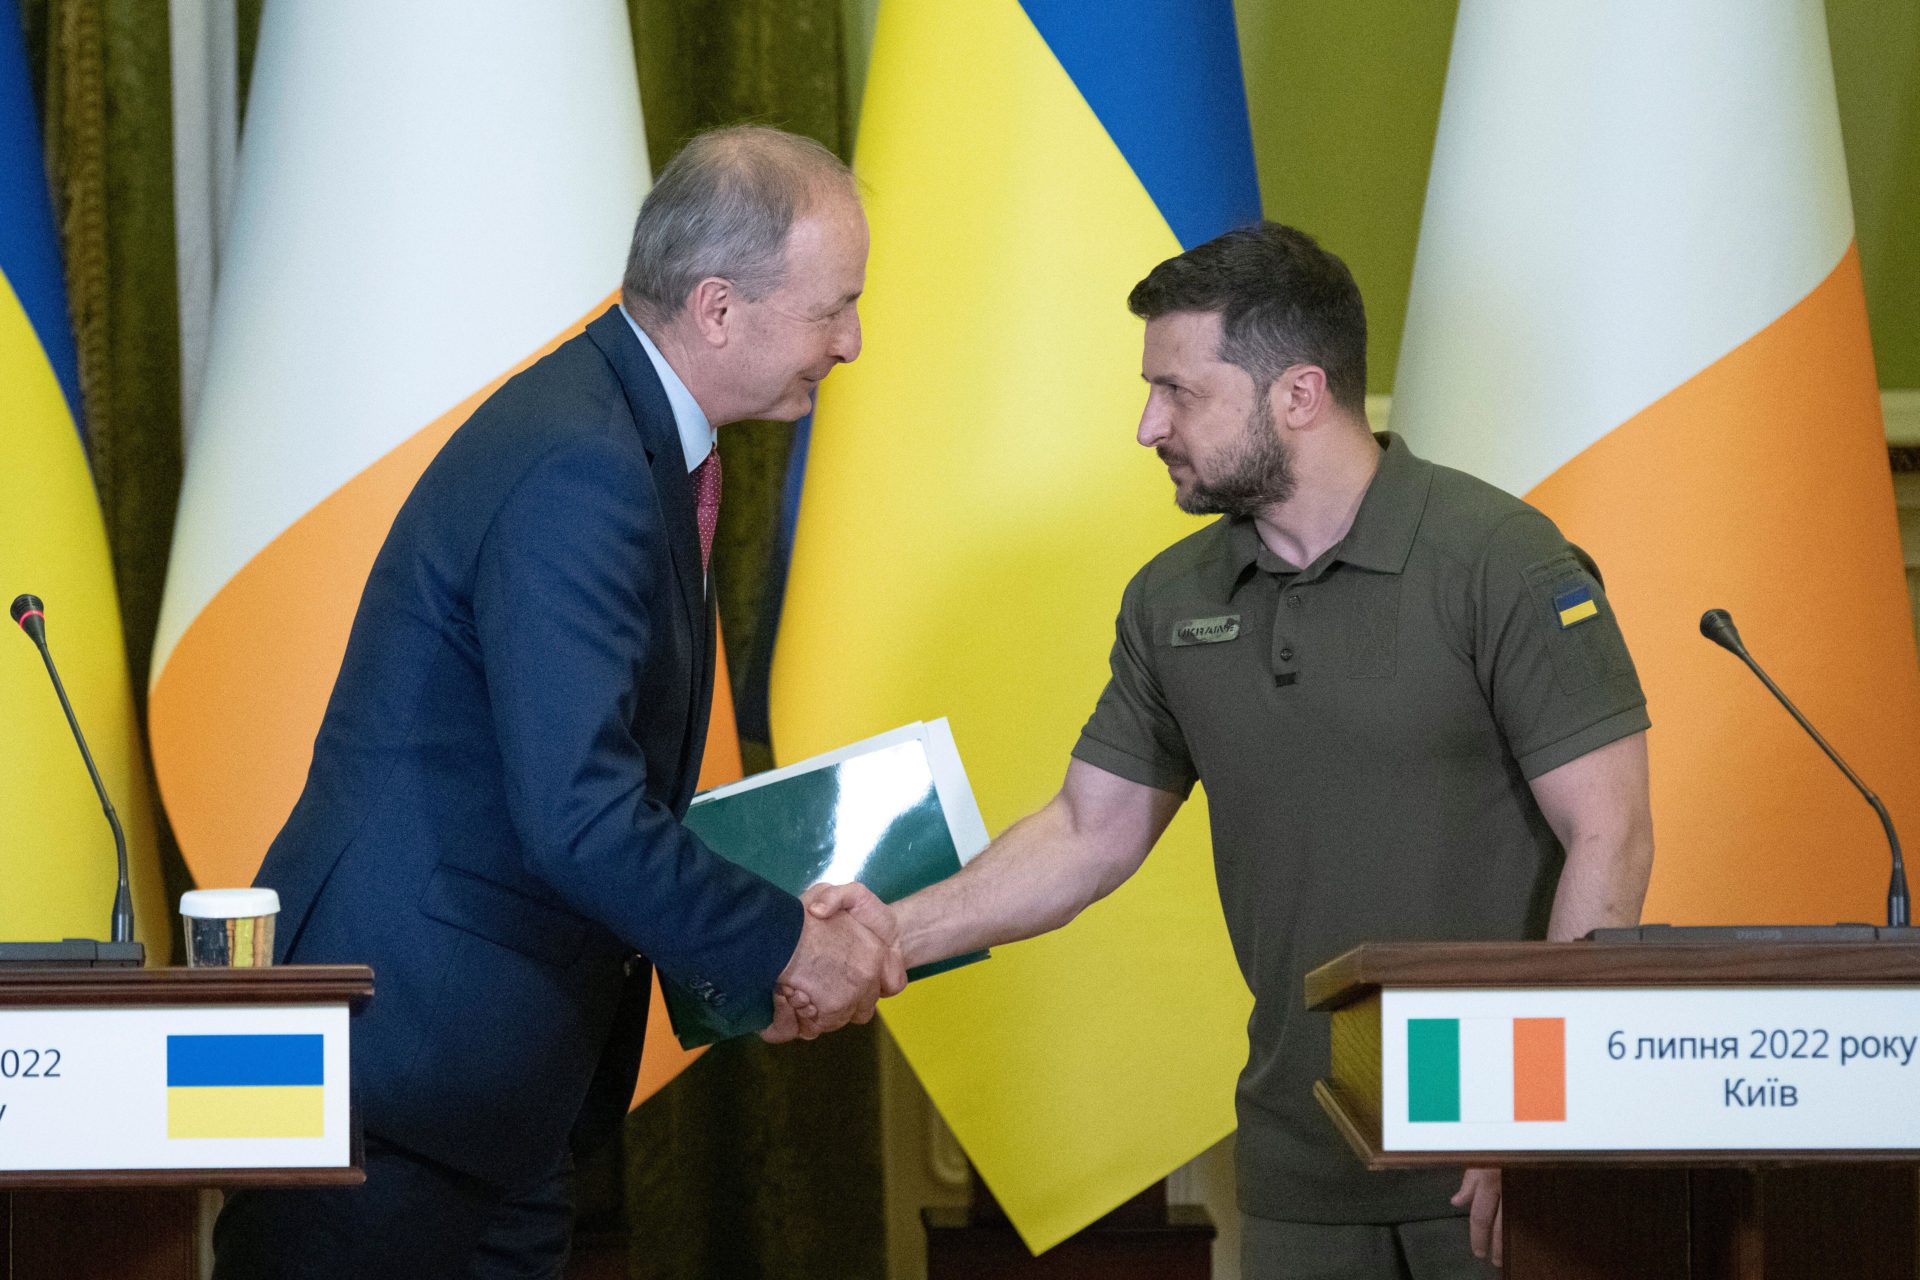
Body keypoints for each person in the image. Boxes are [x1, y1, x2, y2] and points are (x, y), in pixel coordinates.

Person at [798, 222, 1655, 1278]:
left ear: (1297, 394)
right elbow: (1085, 832)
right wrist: (885, 934)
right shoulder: (1173, 601)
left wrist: (1541, 1116)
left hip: (1499, 1155)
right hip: (1301, 1163)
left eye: (1179, 391)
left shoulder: (1503, 561)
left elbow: (1609, 833)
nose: (1148, 423)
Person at [213, 125, 903, 1280]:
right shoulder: (580, 463)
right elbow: (580, 813)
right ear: (719, 309)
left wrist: (748, 953)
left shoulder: (620, 432)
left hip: (488, 1086)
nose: (853, 340)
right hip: (397, 1081)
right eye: (835, 306)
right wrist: (785, 942)